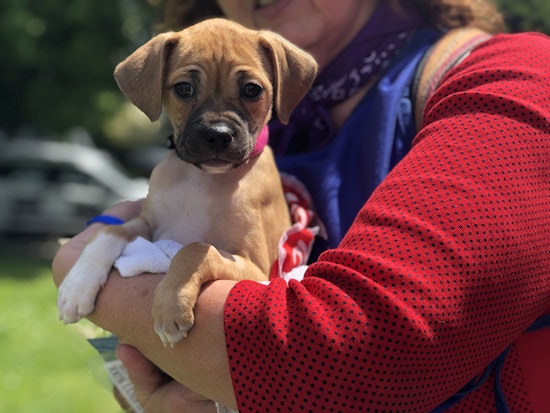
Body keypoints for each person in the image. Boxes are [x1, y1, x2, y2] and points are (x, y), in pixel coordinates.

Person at [52, 0, 550, 412]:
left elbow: (350, 363)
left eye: (251, 93)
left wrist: (80, 265)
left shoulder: (516, 79)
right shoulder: (262, 128)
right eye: (185, 90)